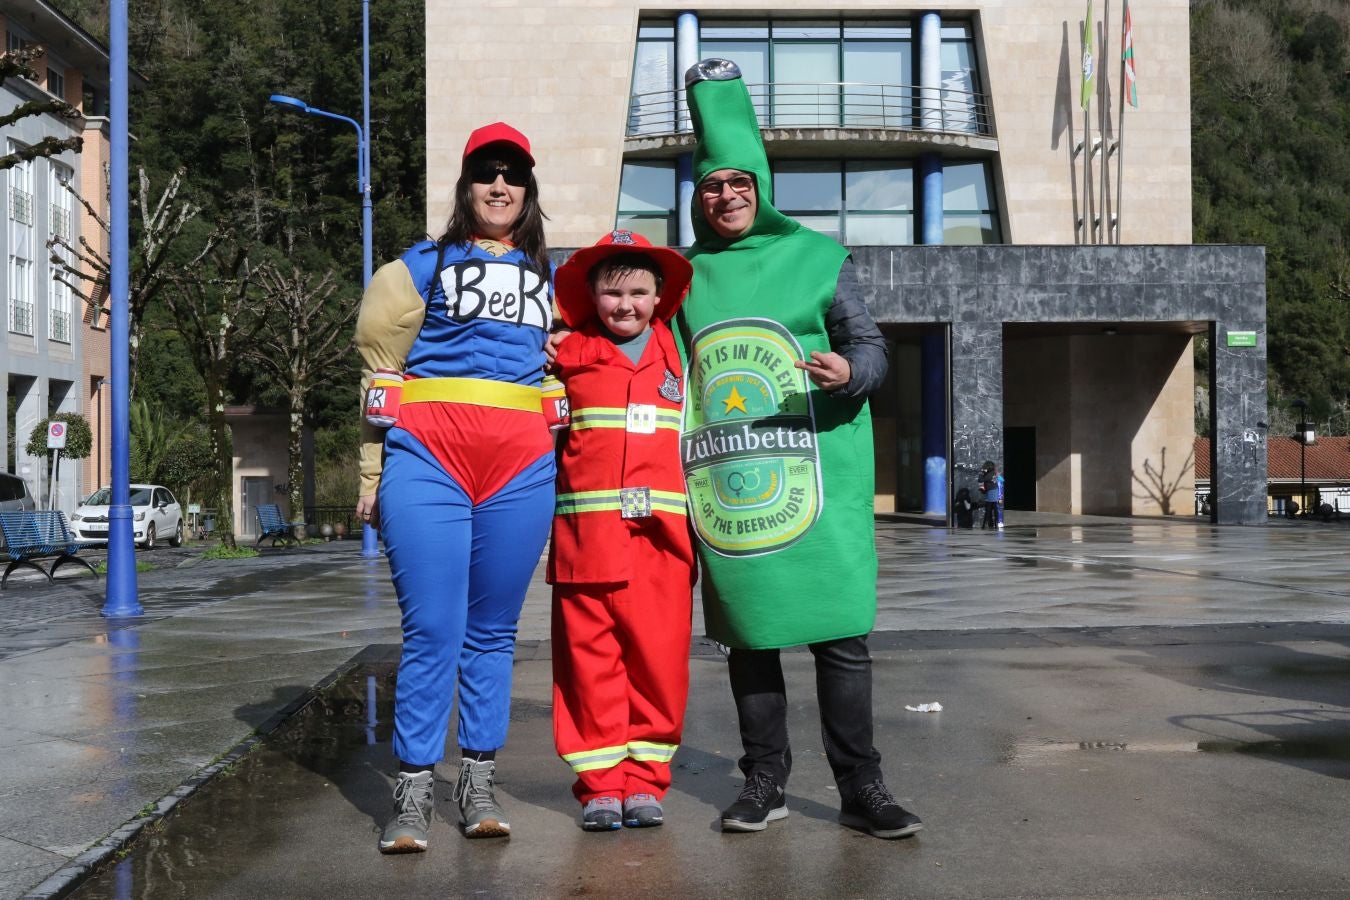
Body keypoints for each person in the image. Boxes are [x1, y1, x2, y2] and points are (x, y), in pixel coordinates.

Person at [676, 59, 923, 840]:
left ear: (762, 186)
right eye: (714, 186)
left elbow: (872, 349)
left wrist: (851, 372)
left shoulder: (821, 258)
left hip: (819, 476)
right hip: (733, 487)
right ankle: (764, 782)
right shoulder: (681, 277)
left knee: (841, 636)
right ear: (698, 196)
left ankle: (862, 787)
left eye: (740, 183)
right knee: (752, 637)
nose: (727, 197)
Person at [355, 122, 556, 854]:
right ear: (465, 186)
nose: (499, 187)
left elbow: (563, 375)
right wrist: (371, 476)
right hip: (427, 459)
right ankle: (411, 791)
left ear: (527, 191)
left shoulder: (552, 281)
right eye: (485, 174)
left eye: (513, 176)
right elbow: (380, 376)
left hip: (522, 469)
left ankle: (477, 783)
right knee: (433, 629)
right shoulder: (414, 269)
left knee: (494, 633)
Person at [544, 230, 697, 832]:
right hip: (588, 541)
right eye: (612, 294)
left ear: (660, 297)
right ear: (591, 297)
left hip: (663, 543)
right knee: (589, 665)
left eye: (638, 292)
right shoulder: (562, 357)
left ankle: (645, 782)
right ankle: (600, 787)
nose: (625, 305)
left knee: (658, 664)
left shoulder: (684, 355)